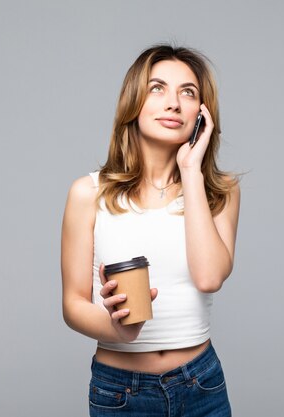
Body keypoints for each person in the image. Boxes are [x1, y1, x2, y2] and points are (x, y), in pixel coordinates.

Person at [61, 44, 240, 416]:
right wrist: (117, 330)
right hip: (120, 392)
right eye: (157, 88)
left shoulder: (219, 191)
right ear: (134, 102)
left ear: (202, 114)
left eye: (187, 93)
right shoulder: (88, 193)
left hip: (201, 384)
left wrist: (191, 171)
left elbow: (208, 278)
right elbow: (73, 304)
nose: (173, 103)